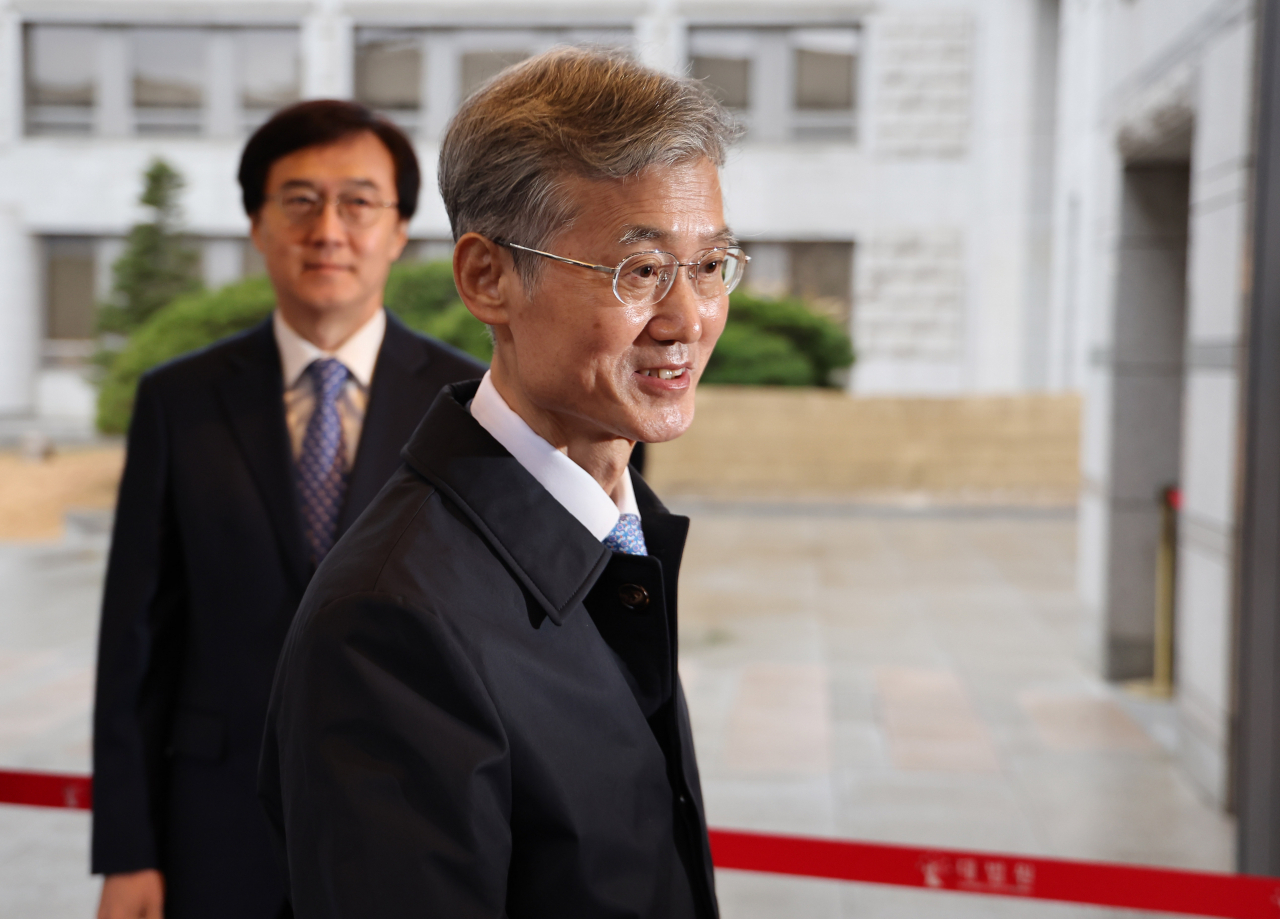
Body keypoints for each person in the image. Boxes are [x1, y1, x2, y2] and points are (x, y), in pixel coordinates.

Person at [260, 48, 745, 918]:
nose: (687, 319)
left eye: (709, 265)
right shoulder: (391, 624)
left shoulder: (618, 534)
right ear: (488, 277)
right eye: (639, 271)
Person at [92, 100, 485, 919]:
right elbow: (134, 638)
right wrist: (128, 851)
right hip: (214, 826)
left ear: (401, 228)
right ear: (257, 224)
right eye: (299, 200)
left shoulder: (470, 407)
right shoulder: (179, 400)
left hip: (412, 826)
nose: (328, 229)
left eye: (358, 201)